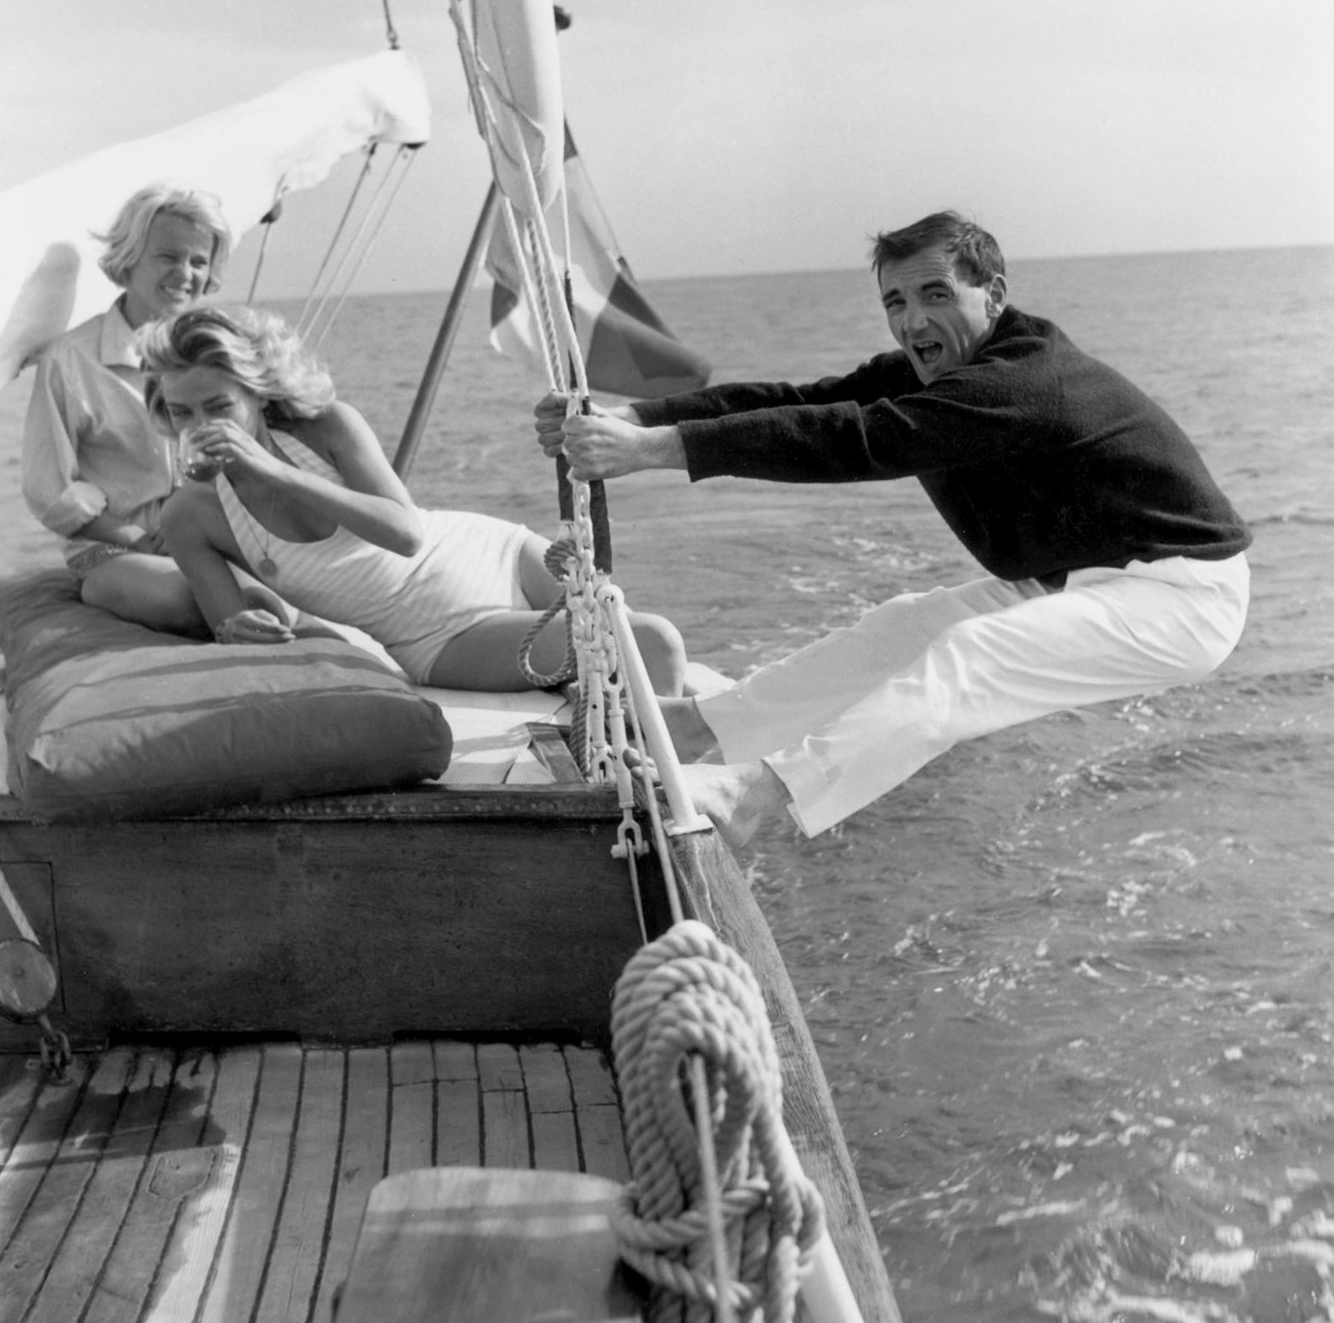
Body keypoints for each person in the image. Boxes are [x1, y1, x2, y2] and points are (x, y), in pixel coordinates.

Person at [535, 209, 1252, 848]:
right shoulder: (931, 371)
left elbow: (856, 440)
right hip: (1080, 576)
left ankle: (758, 798)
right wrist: (638, 419)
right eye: (896, 301)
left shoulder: (1019, 384)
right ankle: (702, 729)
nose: (912, 322)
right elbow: (806, 401)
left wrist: (652, 454)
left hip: (1181, 598)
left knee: (968, 657)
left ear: (993, 296)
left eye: (936, 295)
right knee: (901, 627)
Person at [141, 304, 689, 694]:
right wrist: (239, 629)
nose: (199, 426)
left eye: (218, 407)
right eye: (180, 413)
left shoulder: (328, 427)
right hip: (444, 635)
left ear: (257, 394)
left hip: (496, 552)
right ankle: (669, 804)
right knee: (651, 643)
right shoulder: (192, 514)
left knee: (639, 654)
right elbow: (230, 625)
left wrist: (276, 473)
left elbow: (405, 533)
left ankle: (683, 803)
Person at [22, 183, 234, 634]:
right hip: (121, 550)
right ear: (130, 258)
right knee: (195, 603)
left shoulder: (221, 351)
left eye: (199, 261)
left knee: (282, 600)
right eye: (168, 257)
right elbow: (50, 490)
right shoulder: (71, 358)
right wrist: (142, 541)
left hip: (215, 540)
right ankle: (100, 588)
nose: (186, 273)